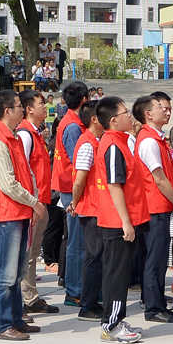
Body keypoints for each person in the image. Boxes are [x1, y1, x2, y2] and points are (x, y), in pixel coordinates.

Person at [0, 90, 46, 341]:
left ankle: (16, 319)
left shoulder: (13, 137)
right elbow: (7, 184)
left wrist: (32, 202)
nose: (23, 109)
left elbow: (26, 174)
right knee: (5, 274)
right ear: (7, 111)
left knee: (16, 273)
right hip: (7, 214)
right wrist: (34, 202)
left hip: (19, 212)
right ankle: (0, 325)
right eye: (19, 106)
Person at [88, 96, 147, 344]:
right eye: (125, 113)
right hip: (116, 221)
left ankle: (115, 320)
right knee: (116, 274)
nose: (129, 116)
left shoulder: (121, 142)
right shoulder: (113, 145)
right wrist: (126, 221)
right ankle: (111, 325)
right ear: (113, 120)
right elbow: (114, 185)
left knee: (119, 272)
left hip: (123, 218)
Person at [133, 94, 173, 323]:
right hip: (154, 208)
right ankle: (153, 308)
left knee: (158, 259)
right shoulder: (149, 141)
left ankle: (158, 302)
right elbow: (159, 179)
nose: (167, 111)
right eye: (161, 108)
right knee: (155, 260)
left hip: (159, 206)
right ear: (148, 114)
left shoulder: (157, 139)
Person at [13, 90, 58, 315]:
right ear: (29, 109)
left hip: (41, 201)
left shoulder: (35, 133)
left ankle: (31, 296)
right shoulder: (25, 135)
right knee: (27, 254)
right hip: (33, 203)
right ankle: (24, 298)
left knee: (32, 253)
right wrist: (31, 203)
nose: (45, 107)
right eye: (41, 103)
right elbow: (22, 172)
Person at [70, 92, 107, 322]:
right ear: (94, 119)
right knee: (93, 256)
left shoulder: (95, 141)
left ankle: (93, 301)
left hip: (97, 207)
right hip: (90, 208)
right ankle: (88, 305)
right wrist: (75, 202)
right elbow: (79, 180)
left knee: (97, 255)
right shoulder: (86, 144)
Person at [53, 80, 90, 310]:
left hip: (70, 187)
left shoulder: (71, 122)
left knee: (78, 240)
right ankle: (74, 290)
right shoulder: (73, 126)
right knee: (77, 242)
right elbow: (79, 162)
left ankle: (77, 287)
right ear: (84, 100)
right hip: (72, 188)